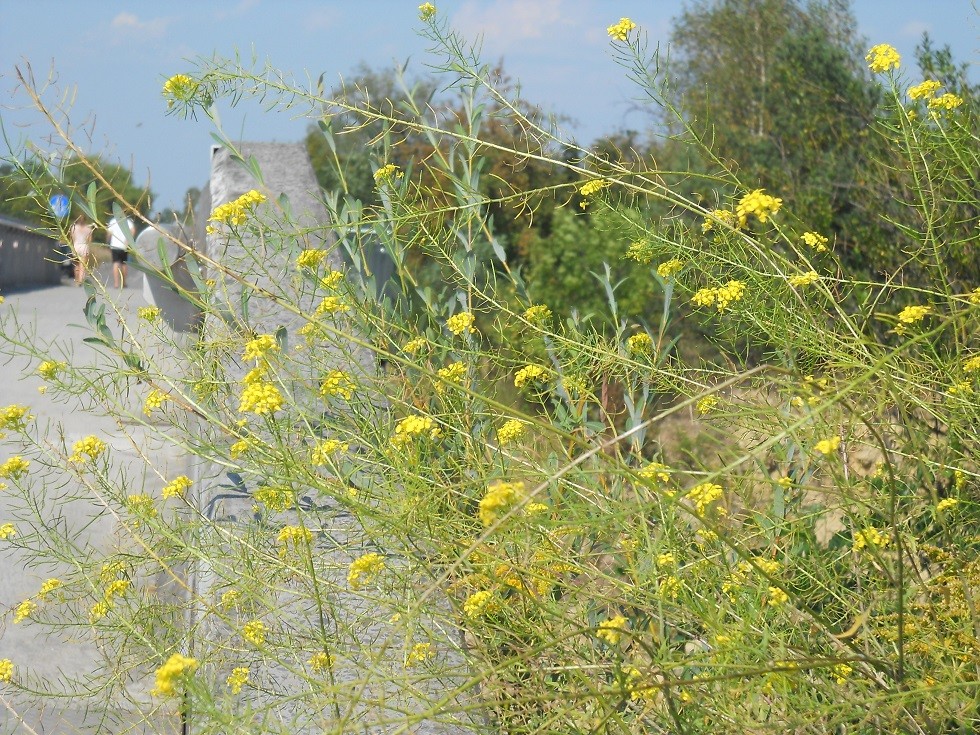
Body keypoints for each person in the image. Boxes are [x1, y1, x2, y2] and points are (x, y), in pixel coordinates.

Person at [106, 212, 136, 289]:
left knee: (115, 263)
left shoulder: (113, 221)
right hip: (124, 245)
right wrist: (128, 241)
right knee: (124, 264)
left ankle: (116, 283)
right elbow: (133, 230)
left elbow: (109, 233)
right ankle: (124, 282)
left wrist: (107, 242)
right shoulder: (128, 221)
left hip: (114, 245)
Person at [69, 214, 95, 285]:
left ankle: (77, 279)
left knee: (76, 264)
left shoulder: (74, 227)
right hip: (84, 247)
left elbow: (72, 238)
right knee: (82, 265)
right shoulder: (88, 228)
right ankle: (81, 280)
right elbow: (90, 240)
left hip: (76, 246)